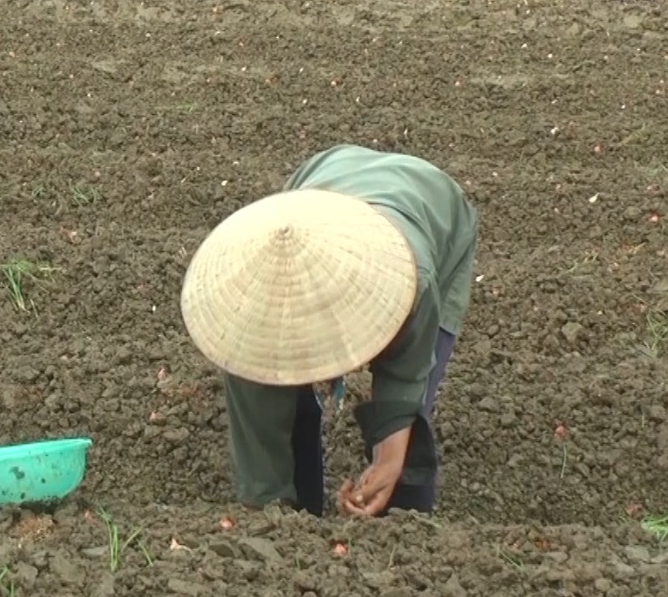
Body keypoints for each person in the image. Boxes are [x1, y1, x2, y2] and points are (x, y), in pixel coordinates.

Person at [181, 144, 479, 518]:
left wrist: (387, 464)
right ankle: (303, 510)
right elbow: (259, 448)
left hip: (432, 205)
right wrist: (271, 516)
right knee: (276, 389)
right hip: (323, 173)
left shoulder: (411, 281)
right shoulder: (249, 319)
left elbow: (405, 381)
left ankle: (405, 518)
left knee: (407, 430)